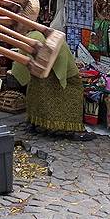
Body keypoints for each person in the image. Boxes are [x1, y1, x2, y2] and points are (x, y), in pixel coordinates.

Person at [11, 8, 94, 141]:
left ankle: (38, 124)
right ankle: (72, 129)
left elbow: (22, 64)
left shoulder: (33, 36)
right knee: (70, 95)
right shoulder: (35, 36)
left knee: (40, 96)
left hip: (52, 69)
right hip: (53, 70)